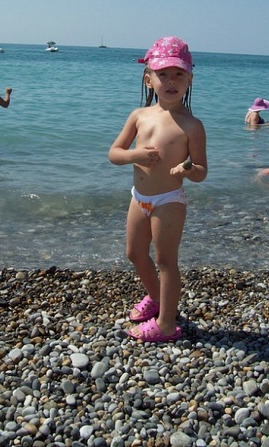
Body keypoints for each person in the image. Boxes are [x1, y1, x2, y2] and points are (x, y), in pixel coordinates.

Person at [108, 36, 207, 342]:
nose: (171, 81)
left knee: (166, 261)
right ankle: (156, 297)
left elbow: (201, 171)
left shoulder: (192, 125)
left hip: (169, 200)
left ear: (189, 80)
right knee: (135, 253)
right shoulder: (139, 116)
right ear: (148, 79)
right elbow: (114, 153)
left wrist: (188, 170)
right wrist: (134, 156)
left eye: (178, 74)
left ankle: (166, 324)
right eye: (163, 74)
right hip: (139, 198)